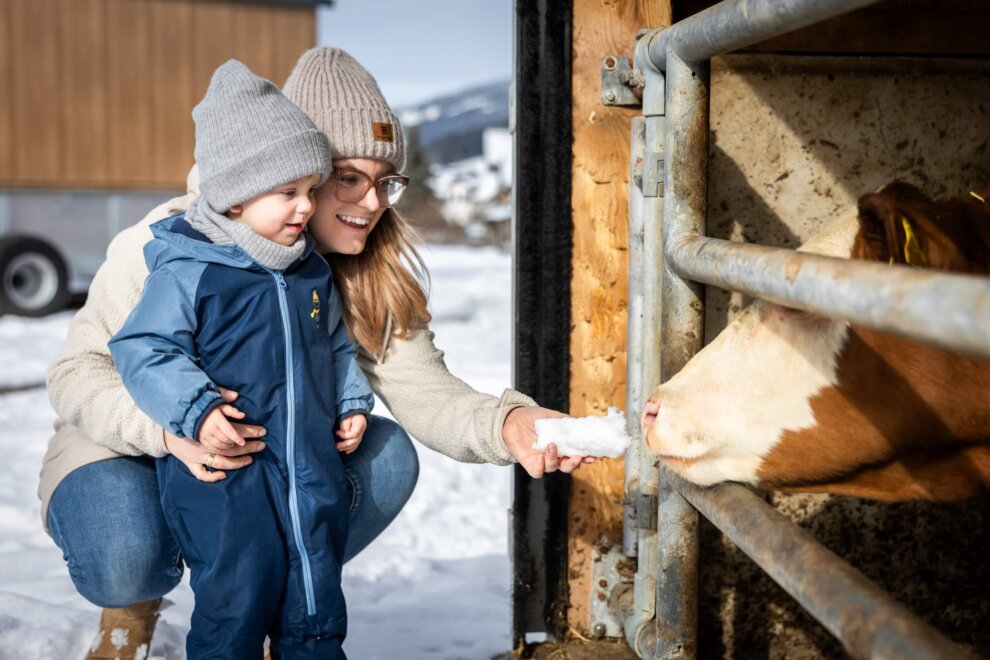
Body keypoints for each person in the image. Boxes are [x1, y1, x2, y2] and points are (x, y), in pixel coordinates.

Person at [42, 47, 591, 660]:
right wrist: (172, 431)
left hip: (264, 454)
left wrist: (509, 424)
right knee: (125, 554)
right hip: (125, 441)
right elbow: (76, 372)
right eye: (348, 177)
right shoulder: (170, 248)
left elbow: (424, 391)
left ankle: (280, 596)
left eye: (386, 182)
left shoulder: (359, 270)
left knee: (386, 457)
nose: (374, 202)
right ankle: (135, 605)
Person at [108, 59, 368, 659]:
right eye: (288, 193)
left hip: (306, 463)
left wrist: (351, 396)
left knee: (314, 590)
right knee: (238, 594)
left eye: (310, 190)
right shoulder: (190, 270)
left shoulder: (309, 270)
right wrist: (196, 411)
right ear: (233, 197)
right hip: (226, 472)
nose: (306, 208)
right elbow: (143, 348)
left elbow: (333, 342)